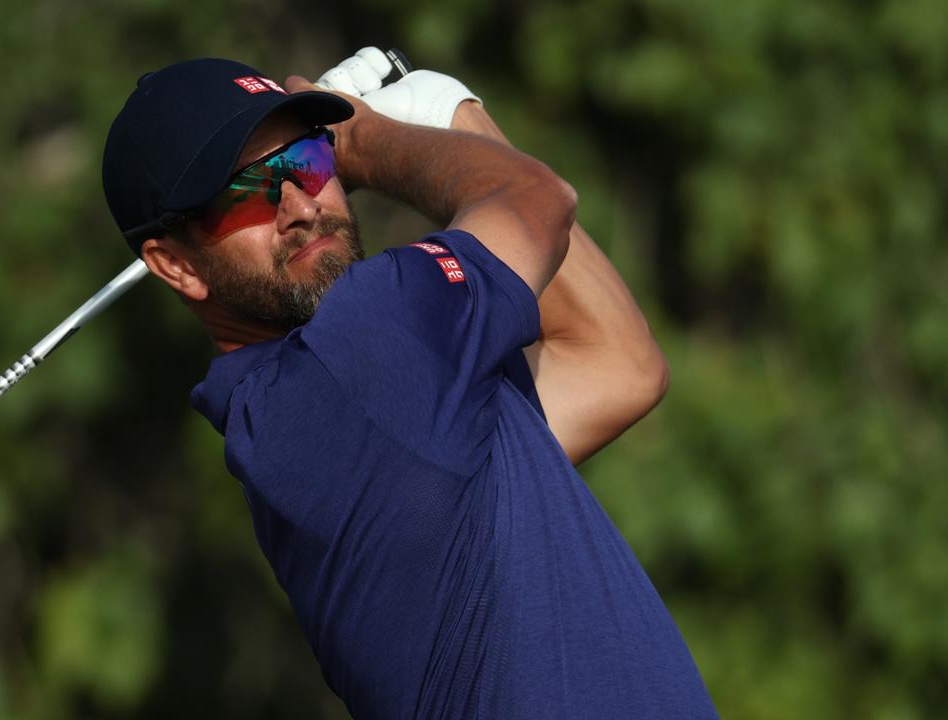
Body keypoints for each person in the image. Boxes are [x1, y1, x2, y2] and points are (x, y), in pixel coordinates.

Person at [102, 50, 717, 719]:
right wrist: (382, 135)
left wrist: (440, 114)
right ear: (177, 266)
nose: (299, 206)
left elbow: (618, 366)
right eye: (242, 193)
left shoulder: (332, 410)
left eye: (307, 160)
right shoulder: (355, 355)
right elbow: (538, 199)